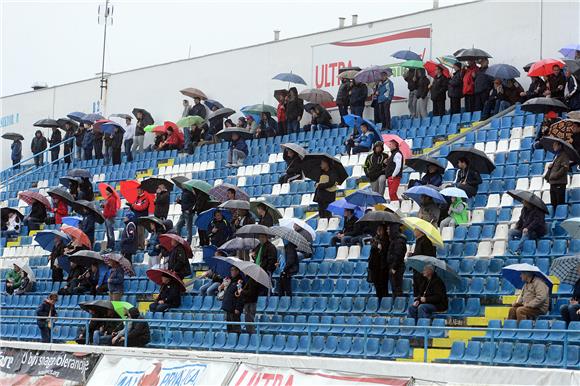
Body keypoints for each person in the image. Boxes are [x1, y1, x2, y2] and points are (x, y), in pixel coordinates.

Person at [545, 140, 570, 207]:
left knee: (560, 204)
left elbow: (565, 168)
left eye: (555, 145)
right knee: (553, 204)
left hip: (559, 183)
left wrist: (555, 175)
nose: (553, 146)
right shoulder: (556, 156)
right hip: (553, 183)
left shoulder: (564, 155)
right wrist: (550, 168)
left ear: (560, 146)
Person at [367, 224, 389, 299]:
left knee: (383, 285)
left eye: (381, 229)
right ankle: (379, 300)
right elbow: (373, 249)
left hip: (383, 266)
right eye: (378, 229)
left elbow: (385, 251)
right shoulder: (375, 239)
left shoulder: (386, 240)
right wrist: (377, 245)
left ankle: (384, 301)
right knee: (377, 285)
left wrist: (379, 246)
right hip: (375, 265)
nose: (379, 231)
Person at [386, 223, 407, 298]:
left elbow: (399, 255)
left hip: (397, 268)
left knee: (397, 289)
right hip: (394, 267)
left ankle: (398, 306)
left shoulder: (399, 240)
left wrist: (394, 267)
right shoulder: (394, 239)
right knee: (394, 289)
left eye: (388, 229)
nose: (387, 231)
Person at [221, 266, 244, 334]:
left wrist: (238, 308)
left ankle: (237, 341)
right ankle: (231, 341)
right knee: (229, 328)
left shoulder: (240, 282)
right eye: (231, 270)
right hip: (228, 307)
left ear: (237, 271)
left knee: (235, 328)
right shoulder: (231, 281)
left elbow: (241, 296)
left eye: (233, 270)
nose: (231, 271)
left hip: (234, 309)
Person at [103, 186, 118, 251]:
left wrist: (108, 216)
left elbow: (112, 210)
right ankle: (109, 246)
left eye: (106, 190)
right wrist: (104, 206)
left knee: (110, 233)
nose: (105, 192)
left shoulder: (112, 199)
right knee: (108, 233)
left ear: (109, 191)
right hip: (107, 218)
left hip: (109, 218)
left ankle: (111, 247)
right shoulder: (109, 199)